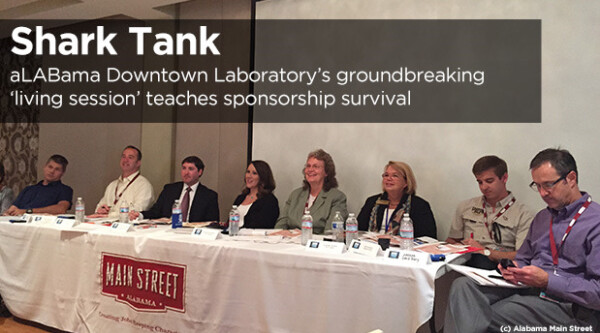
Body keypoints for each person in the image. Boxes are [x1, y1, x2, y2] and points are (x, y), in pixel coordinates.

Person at [444, 148, 600, 333]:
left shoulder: (595, 222)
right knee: (463, 287)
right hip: (528, 288)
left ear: (571, 178)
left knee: (483, 314)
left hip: (567, 306)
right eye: (537, 186)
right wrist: (512, 268)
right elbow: (523, 258)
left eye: (548, 185)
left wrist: (547, 280)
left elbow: (597, 292)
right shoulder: (543, 218)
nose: (542, 193)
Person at [446, 155, 534, 269]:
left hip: (500, 269)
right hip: (466, 264)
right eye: (480, 182)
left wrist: (485, 252)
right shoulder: (465, 207)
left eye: (489, 181)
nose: (484, 187)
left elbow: (521, 256)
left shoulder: (523, 214)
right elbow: (451, 240)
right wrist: (457, 247)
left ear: (504, 178)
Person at [275, 149, 347, 234]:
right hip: (289, 244)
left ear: (326, 172)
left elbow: (331, 233)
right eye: (308, 166)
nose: (310, 170)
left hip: (315, 245)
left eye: (316, 167)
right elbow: (280, 225)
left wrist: (304, 235)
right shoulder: (295, 195)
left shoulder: (337, 197)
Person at [357, 161, 437, 238]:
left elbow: (428, 238)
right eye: (386, 175)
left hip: (403, 249)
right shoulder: (372, 202)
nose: (389, 179)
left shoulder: (419, 205)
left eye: (395, 176)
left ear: (406, 182)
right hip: (371, 248)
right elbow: (358, 230)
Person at [130, 156, 219, 222]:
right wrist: (140, 215)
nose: (186, 172)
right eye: (184, 168)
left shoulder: (209, 196)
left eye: (191, 169)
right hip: (167, 231)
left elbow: (212, 222)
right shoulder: (169, 189)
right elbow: (155, 212)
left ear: (200, 172)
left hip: (193, 235)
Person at [95, 145, 154, 218]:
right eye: (123, 156)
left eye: (130, 157)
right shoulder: (112, 185)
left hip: (129, 227)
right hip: (106, 225)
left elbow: (136, 212)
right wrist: (101, 210)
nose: (125, 160)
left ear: (138, 163)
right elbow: (99, 207)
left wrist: (109, 215)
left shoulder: (144, 185)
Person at [4, 155, 72, 215]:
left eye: (57, 169)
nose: (52, 171)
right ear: (44, 167)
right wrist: (8, 213)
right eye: (50, 167)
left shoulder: (64, 190)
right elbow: (13, 208)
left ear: (62, 173)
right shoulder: (28, 189)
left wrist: (27, 211)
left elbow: (61, 209)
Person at [231, 160, 279, 229]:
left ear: (262, 177)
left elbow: (263, 225)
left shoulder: (269, 201)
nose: (249, 176)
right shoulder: (241, 198)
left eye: (254, 173)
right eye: (248, 172)